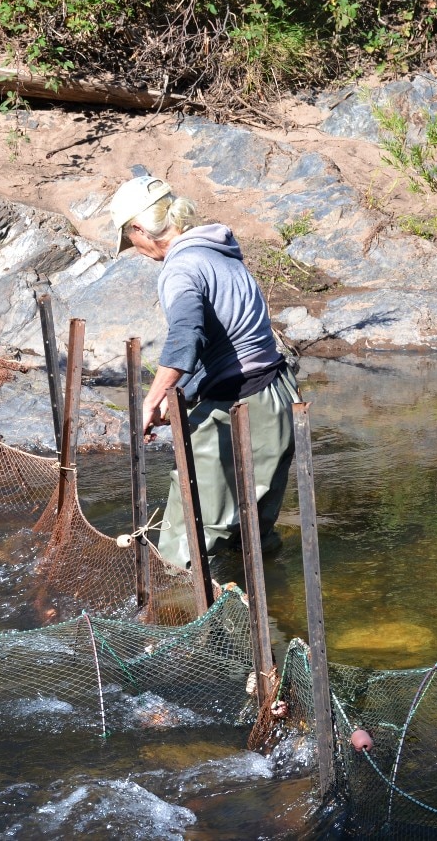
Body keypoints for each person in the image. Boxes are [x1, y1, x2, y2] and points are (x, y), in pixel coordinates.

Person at [109, 174, 299, 581]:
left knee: (187, 538)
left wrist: (151, 397)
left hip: (240, 404)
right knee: (249, 532)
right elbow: (228, 341)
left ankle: (176, 628)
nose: (136, 251)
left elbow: (186, 334)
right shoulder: (219, 252)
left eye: (131, 242)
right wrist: (176, 395)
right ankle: (268, 615)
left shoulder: (180, 268)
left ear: (140, 230)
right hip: (278, 396)